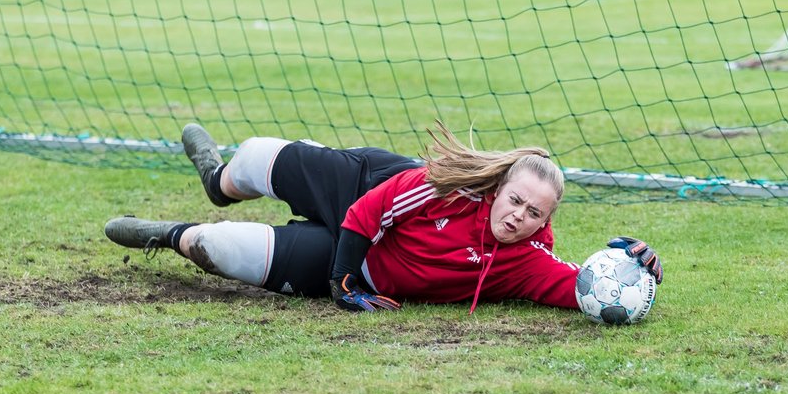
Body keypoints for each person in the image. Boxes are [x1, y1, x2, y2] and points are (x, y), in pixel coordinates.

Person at [103, 123, 662, 313]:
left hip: (368, 265)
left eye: (534, 214)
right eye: (515, 201)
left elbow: (582, 287)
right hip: (364, 189)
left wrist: (634, 268)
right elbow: (369, 213)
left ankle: (168, 235)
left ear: (545, 222)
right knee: (250, 160)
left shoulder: (522, 261)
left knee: (219, 247)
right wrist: (340, 284)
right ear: (496, 189)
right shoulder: (440, 187)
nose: (519, 216)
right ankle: (214, 179)